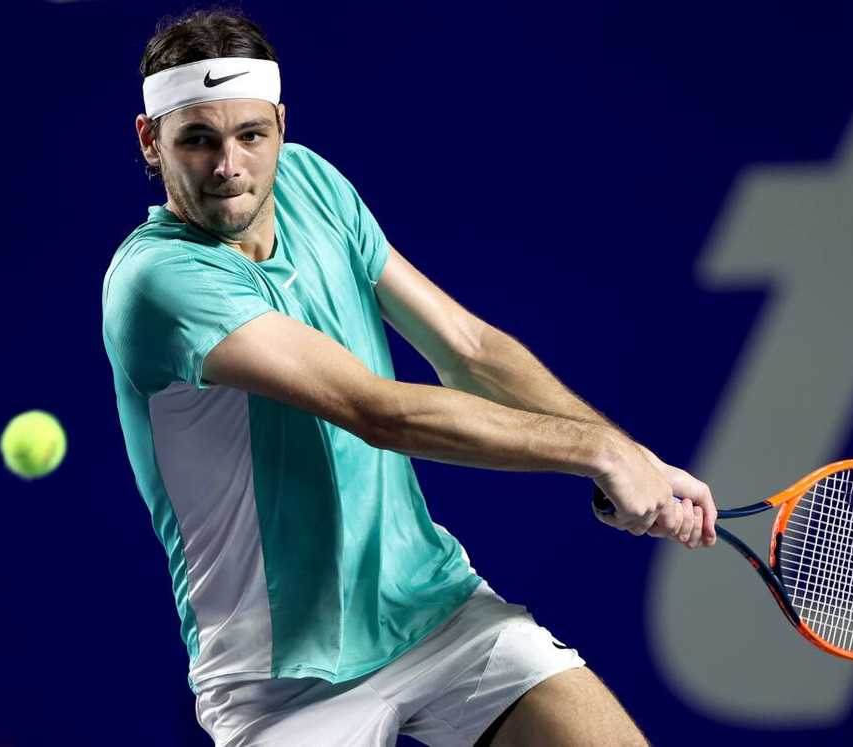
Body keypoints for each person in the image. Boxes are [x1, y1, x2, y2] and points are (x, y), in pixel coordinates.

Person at [101, 7, 718, 745]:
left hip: (436, 611)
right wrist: (600, 453)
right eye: (197, 140)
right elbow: (377, 411)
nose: (229, 166)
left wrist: (630, 453)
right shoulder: (158, 280)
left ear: (281, 126)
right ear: (150, 140)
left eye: (250, 136)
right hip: (279, 687)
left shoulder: (313, 186)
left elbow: (469, 347)